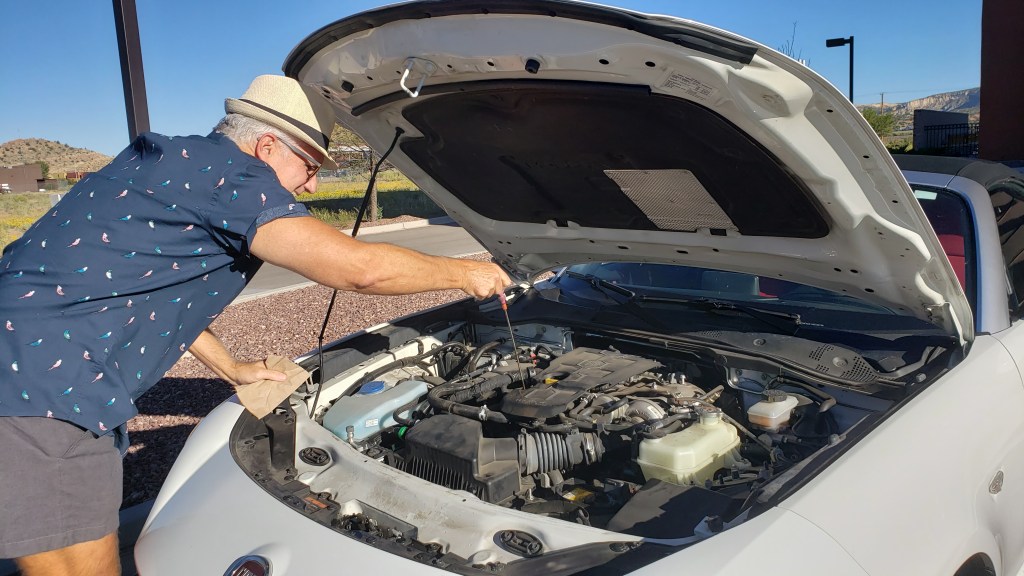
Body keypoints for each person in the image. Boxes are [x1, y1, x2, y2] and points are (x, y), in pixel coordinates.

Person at [0, 74, 511, 575]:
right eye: (309, 165)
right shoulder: (231, 174)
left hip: (29, 372)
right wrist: (467, 273)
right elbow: (359, 271)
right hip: (44, 395)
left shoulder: (166, 163)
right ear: (267, 146)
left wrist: (232, 366)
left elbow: (137, 292)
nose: (311, 184)